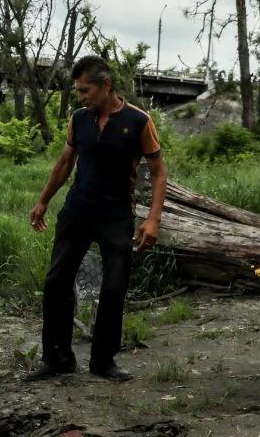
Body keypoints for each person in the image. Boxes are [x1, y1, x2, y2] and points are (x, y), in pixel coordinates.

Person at [27, 55, 167, 382]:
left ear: (106, 86)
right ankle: (58, 358)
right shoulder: (79, 118)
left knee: (114, 287)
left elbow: (159, 174)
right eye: (78, 90)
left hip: (116, 214)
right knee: (56, 281)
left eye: (85, 90)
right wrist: (43, 201)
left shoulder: (139, 121)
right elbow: (64, 163)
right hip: (77, 210)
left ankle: (103, 361)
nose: (80, 96)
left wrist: (153, 220)